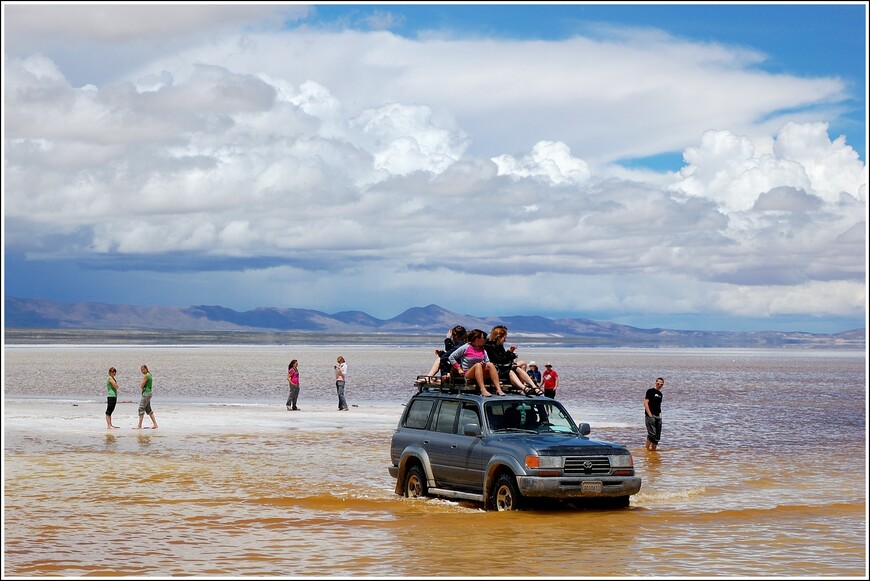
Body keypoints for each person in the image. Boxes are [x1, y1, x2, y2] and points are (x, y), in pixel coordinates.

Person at [484, 325, 542, 396]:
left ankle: (534, 387)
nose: (505, 340)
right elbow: (499, 360)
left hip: (503, 367)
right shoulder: (489, 346)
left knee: (518, 366)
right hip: (497, 370)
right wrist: (511, 355)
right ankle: (523, 388)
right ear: (498, 337)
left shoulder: (499, 346)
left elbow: (503, 356)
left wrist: (510, 352)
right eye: (504, 338)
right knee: (511, 371)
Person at [448, 329, 504, 397]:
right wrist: (459, 368)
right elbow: (451, 357)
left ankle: (498, 388)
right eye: (482, 338)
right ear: (477, 339)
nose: (484, 340)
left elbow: (487, 361)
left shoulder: (483, 350)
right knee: (477, 365)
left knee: (490, 365)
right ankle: (482, 389)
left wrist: (484, 364)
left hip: (481, 372)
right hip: (468, 372)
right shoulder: (466, 347)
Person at [134, 364, 158, 429]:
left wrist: (142, 387)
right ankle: (155, 424)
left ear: (146, 369)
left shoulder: (146, 376)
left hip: (146, 394)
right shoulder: (149, 375)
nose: (142, 371)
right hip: (149, 393)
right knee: (148, 410)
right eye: (141, 370)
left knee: (141, 408)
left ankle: (139, 425)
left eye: (143, 370)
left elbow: (141, 386)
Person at [644, 377, 665, 451]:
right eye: (659, 383)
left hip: (658, 416)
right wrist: (649, 415)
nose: (660, 385)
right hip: (650, 416)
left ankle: (653, 451)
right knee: (652, 434)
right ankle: (646, 449)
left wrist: (660, 416)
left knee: (657, 436)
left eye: (662, 384)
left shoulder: (660, 394)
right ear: (656, 383)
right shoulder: (650, 391)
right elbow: (646, 403)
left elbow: (659, 406)